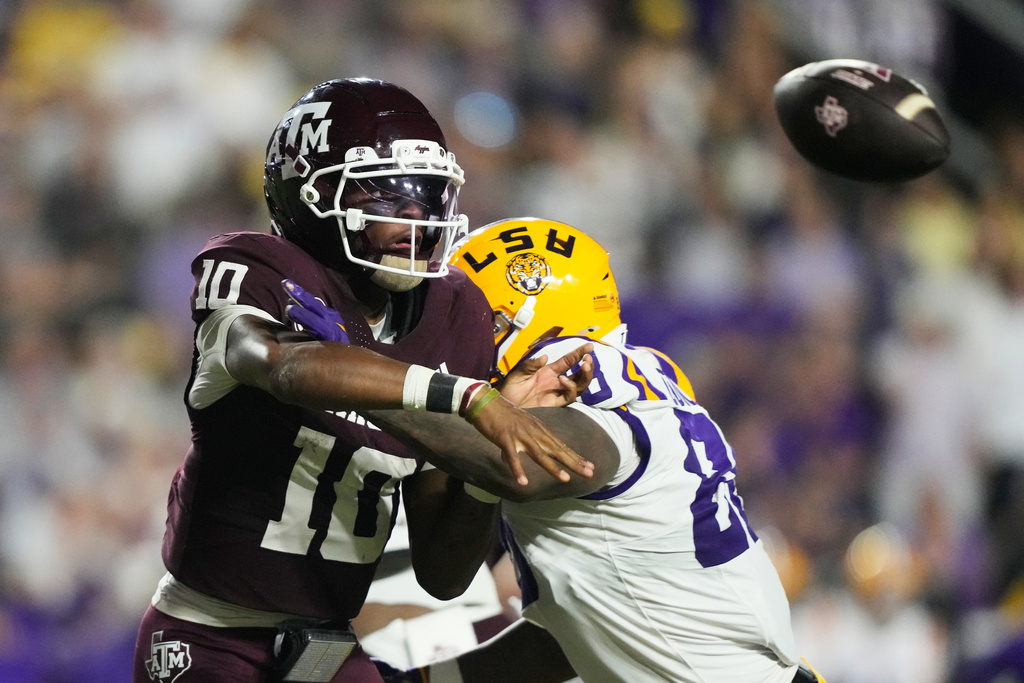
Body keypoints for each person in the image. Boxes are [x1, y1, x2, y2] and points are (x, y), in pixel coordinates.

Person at [131, 80, 591, 683]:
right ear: (308, 192)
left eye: (426, 196)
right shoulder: (257, 269)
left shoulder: (455, 314)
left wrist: (487, 463)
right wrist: (468, 398)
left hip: (329, 649)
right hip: (208, 636)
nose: (416, 218)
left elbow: (443, 574)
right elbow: (283, 365)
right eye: (385, 194)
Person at [289, 217, 828, 682]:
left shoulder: (593, 380)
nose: (451, 335)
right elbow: (569, 630)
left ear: (547, 337)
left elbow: (539, 457)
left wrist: (361, 376)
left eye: (476, 318)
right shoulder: (609, 384)